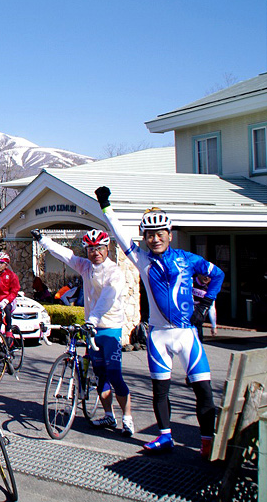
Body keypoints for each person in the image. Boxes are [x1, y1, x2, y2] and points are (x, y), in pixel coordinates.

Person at [95, 186, 225, 458]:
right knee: (160, 390)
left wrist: (204, 305)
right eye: (150, 235)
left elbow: (219, 274)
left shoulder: (187, 259)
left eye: (160, 234)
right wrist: (106, 206)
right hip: (158, 336)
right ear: (145, 238)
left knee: (203, 390)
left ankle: (207, 440)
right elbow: (119, 234)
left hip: (187, 334)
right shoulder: (142, 261)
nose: (155, 239)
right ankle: (165, 436)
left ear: (169, 234)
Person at [32, 228, 134, 436]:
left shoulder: (114, 272)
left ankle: (127, 418)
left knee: (115, 375)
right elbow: (65, 254)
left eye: (99, 248)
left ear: (107, 249)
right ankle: (109, 415)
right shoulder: (86, 267)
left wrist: (93, 320)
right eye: (91, 249)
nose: (95, 252)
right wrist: (44, 240)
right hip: (92, 330)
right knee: (100, 375)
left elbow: (108, 297)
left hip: (110, 329)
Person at [0, 251, 21, 335]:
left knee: (7, 310)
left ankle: (8, 331)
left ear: (6, 265)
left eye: (2, 263)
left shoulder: (11, 275)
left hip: (8, 301)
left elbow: (15, 290)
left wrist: (6, 300)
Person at [192, 274, 217, 341]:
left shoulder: (210, 289)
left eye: (209, 276)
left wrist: (214, 326)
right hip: (185, 320)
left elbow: (211, 308)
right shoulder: (189, 282)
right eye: (204, 275)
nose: (206, 277)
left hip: (198, 321)